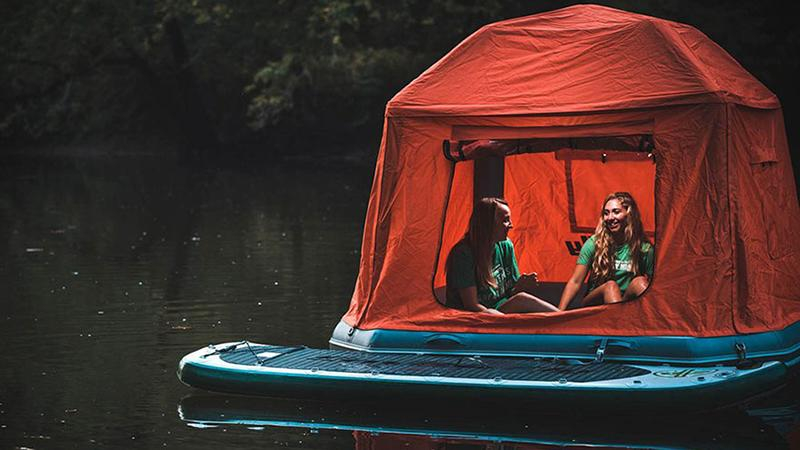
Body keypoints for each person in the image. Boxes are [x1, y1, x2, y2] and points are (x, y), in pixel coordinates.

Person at [446, 197, 558, 315]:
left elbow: (511, 294)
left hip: (500, 310)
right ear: (487, 223)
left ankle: (566, 320)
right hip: (473, 317)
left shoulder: (506, 245)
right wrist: (502, 320)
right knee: (518, 303)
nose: (511, 225)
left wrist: (520, 286)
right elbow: (472, 305)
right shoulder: (463, 254)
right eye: (505, 220)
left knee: (523, 299)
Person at [558, 192, 654, 310]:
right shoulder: (594, 243)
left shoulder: (644, 248)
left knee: (640, 282)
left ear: (629, 214)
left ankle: (658, 326)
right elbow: (575, 282)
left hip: (626, 302)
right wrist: (558, 314)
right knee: (611, 286)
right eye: (606, 213)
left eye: (616, 212)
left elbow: (654, 287)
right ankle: (617, 324)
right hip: (596, 303)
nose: (610, 218)